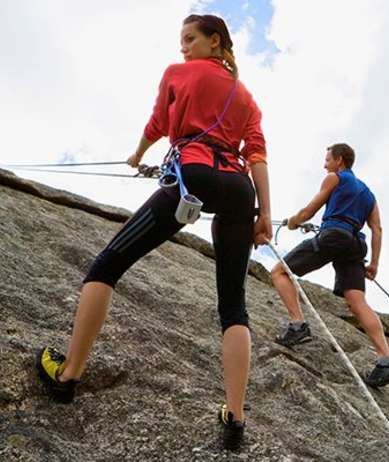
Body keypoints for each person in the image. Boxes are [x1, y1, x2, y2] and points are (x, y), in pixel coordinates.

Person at [35, 14, 271, 450]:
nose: (183, 47)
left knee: (106, 265)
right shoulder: (246, 97)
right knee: (233, 306)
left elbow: (158, 122)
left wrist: (138, 154)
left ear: (213, 42)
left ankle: (68, 376)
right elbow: (256, 155)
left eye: (190, 39)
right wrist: (265, 216)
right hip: (240, 190)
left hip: (192, 174)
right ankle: (235, 419)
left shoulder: (178, 74)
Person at [270, 143, 389, 388]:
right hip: (355, 245)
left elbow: (309, 211)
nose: (325, 164)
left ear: (339, 160)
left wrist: (294, 222)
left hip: (334, 234)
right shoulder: (369, 194)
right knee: (357, 302)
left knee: (279, 272)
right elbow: (377, 228)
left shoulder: (334, 178)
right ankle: (386, 360)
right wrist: (374, 263)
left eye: (328, 159)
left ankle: (297, 325)